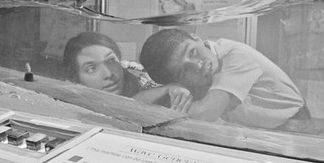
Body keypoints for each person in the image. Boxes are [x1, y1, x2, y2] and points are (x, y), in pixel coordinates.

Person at [139, 28, 310, 129]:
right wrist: (168, 89)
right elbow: (137, 103)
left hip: (295, 126)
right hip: (259, 130)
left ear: (197, 38)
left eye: (192, 52)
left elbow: (205, 114)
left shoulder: (236, 56)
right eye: (184, 71)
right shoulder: (193, 76)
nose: (197, 65)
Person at [63, 32, 192, 112]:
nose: (108, 74)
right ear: (76, 78)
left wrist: (176, 88)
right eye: (91, 68)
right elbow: (122, 108)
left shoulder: (142, 82)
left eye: (111, 61)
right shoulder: (74, 109)